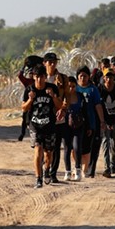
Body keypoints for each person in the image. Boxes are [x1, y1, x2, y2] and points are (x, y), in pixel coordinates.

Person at [22, 65, 62, 188]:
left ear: (45, 77)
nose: (39, 79)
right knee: (38, 149)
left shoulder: (52, 88)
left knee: (48, 153)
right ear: (34, 77)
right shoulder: (29, 90)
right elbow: (23, 108)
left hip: (49, 125)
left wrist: (53, 97)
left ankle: (47, 170)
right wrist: (30, 99)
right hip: (35, 125)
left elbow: (60, 106)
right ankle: (38, 178)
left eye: (42, 77)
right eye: (37, 77)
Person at [75, 66, 106, 178]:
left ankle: (86, 170)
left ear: (89, 77)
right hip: (74, 123)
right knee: (75, 147)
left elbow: (98, 105)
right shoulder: (74, 89)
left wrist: (102, 121)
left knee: (88, 148)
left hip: (90, 123)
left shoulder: (93, 90)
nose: (83, 78)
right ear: (77, 77)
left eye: (85, 76)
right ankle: (77, 166)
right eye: (81, 76)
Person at [43, 52, 68, 183]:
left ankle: (53, 173)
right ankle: (45, 169)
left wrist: (63, 109)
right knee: (44, 146)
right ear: (44, 63)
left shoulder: (63, 79)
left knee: (56, 146)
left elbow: (67, 97)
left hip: (58, 117)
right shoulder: (40, 78)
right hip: (43, 118)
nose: (53, 65)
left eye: (54, 62)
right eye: (50, 62)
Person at [98, 70, 115, 178]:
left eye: (111, 77)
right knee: (106, 143)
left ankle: (113, 165)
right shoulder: (100, 89)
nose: (109, 79)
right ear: (104, 78)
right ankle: (106, 168)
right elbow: (98, 105)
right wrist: (101, 121)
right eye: (107, 77)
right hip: (104, 120)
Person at [62, 76, 89, 181]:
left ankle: (78, 170)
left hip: (78, 125)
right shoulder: (63, 96)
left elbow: (85, 111)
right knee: (67, 148)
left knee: (77, 147)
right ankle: (67, 172)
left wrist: (88, 126)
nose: (71, 89)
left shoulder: (80, 96)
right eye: (69, 86)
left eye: (73, 86)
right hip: (65, 125)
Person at [17, 55, 43, 141]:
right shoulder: (27, 81)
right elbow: (20, 76)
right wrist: (24, 66)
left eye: (32, 73)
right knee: (25, 118)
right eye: (30, 73)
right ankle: (22, 133)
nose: (31, 75)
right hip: (28, 101)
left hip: (38, 101)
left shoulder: (39, 80)